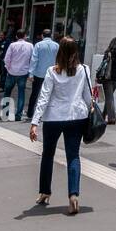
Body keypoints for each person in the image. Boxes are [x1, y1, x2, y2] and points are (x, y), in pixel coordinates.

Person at [29, 37, 93, 215]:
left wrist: (35, 122)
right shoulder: (84, 69)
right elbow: (88, 96)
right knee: (73, 156)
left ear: (59, 52)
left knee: (48, 154)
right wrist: (93, 111)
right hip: (77, 116)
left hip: (54, 117)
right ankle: (73, 195)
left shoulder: (52, 71)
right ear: (76, 51)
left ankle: (44, 192)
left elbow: (44, 97)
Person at [26, 29, 59, 121]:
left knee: (35, 93)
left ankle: (30, 113)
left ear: (42, 35)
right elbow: (58, 59)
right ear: (51, 35)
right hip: (52, 73)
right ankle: (48, 114)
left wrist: (31, 74)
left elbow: (34, 59)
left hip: (39, 73)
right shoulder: (56, 45)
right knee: (50, 94)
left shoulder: (38, 45)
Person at [2, 30, 34, 121]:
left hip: (12, 72)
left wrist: (8, 68)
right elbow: (32, 59)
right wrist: (30, 72)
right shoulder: (30, 46)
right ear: (25, 36)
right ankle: (18, 115)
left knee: (7, 92)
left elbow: (7, 58)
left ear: (16, 36)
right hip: (23, 72)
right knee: (21, 93)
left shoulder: (12, 45)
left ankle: (5, 113)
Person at [96, 38, 116, 125]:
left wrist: (98, 75)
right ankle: (103, 115)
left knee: (109, 98)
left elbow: (103, 65)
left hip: (108, 77)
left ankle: (111, 118)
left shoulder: (108, 52)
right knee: (109, 97)